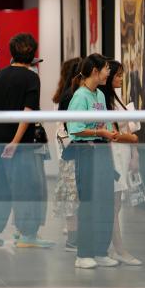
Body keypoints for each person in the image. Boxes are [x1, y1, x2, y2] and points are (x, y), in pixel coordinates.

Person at [0, 33, 52, 248]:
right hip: (20, 146)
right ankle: (27, 235)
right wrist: (15, 142)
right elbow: (27, 113)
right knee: (26, 188)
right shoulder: (31, 78)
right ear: (32, 54)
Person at [66, 53, 119, 269]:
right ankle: (84, 254)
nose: (109, 73)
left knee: (106, 202)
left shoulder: (100, 95)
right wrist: (100, 132)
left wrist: (110, 132)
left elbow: (105, 123)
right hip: (86, 152)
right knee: (88, 202)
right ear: (95, 71)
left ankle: (100, 250)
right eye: (106, 69)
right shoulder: (80, 97)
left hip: (102, 151)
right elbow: (75, 129)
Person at [99, 59, 142, 266]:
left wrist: (134, 152)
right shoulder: (103, 100)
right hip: (113, 155)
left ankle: (113, 247)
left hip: (123, 154)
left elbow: (127, 128)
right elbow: (112, 133)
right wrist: (132, 139)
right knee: (114, 205)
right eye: (117, 75)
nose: (121, 79)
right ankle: (118, 248)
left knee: (116, 205)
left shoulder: (117, 97)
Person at [52, 57, 82, 251]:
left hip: (66, 147)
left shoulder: (64, 94)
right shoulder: (69, 96)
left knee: (72, 192)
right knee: (73, 193)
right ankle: (73, 237)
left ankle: (74, 233)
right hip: (70, 148)